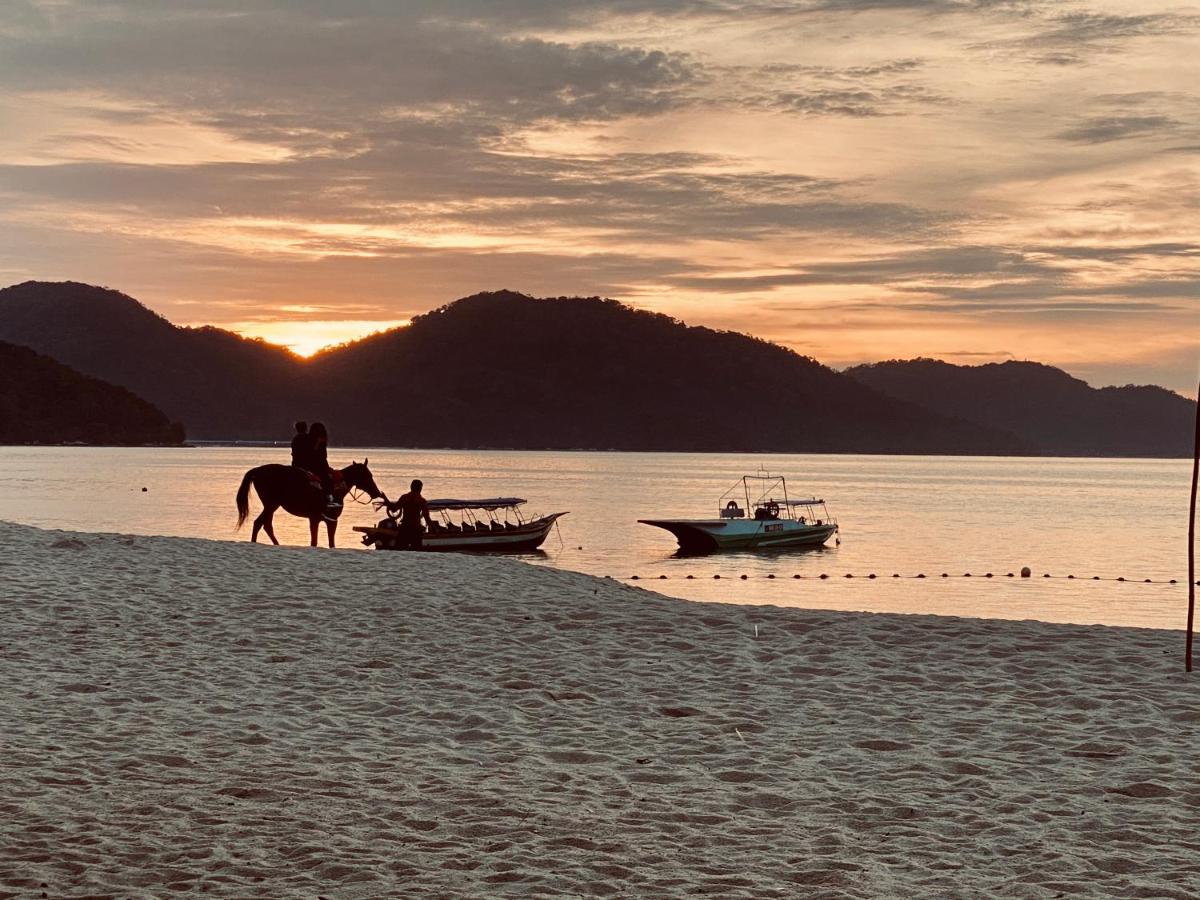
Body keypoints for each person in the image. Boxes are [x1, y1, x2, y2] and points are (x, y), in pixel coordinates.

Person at [387, 479, 433, 550]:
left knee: (398, 551)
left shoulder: (404, 498)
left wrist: (386, 500)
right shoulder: (422, 501)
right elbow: (427, 518)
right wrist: (434, 529)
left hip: (404, 528)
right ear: (420, 488)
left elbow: (394, 509)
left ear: (411, 487)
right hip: (416, 529)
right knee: (416, 553)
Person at [308, 422, 340, 517]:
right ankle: (328, 499)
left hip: (320, 466)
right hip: (316, 467)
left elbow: (323, 458)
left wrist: (328, 468)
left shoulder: (320, 443)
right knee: (327, 480)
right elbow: (314, 455)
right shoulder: (315, 443)